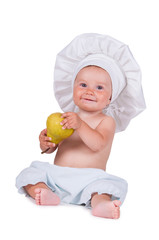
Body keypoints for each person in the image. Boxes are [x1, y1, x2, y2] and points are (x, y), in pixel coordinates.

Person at [16, 33, 146, 219]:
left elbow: (98, 144)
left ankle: (101, 205)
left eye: (99, 88)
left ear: (111, 97)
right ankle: (44, 192)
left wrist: (80, 125)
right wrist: (46, 144)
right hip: (57, 177)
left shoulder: (106, 121)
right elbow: (55, 145)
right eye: (83, 84)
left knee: (103, 188)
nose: (89, 91)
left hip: (90, 180)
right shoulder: (66, 117)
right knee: (30, 174)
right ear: (73, 87)